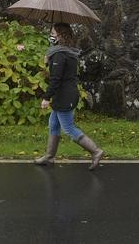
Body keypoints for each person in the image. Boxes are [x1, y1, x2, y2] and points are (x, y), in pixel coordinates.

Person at [35, 23, 104, 170]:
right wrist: (49, 62)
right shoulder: (66, 52)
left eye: (53, 33)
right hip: (66, 94)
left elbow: (56, 79)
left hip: (64, 96)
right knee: (53, 124)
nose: (51, 36)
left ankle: (96, 151)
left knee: (68, 128)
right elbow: (62, 74)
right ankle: (49, 157)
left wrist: (46, 98)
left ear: (60, 35)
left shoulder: (59, 54)